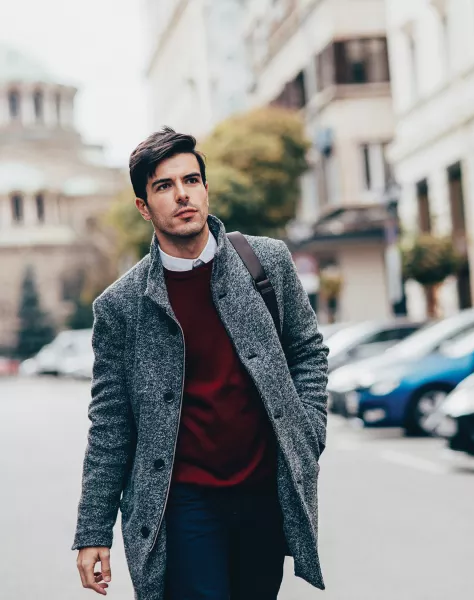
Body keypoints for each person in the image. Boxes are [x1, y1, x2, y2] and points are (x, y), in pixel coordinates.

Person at [72, 128, 329, 600]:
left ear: (206, 189)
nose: (182, 195)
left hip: (264, 492)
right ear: (144, 207)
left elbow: (308, 352)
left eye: (191, 180)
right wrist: (93, 530)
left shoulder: (266, 263)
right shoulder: (121, 306)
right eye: (164, 186)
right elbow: (110, 423)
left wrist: (308, 433)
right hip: (183, 503)